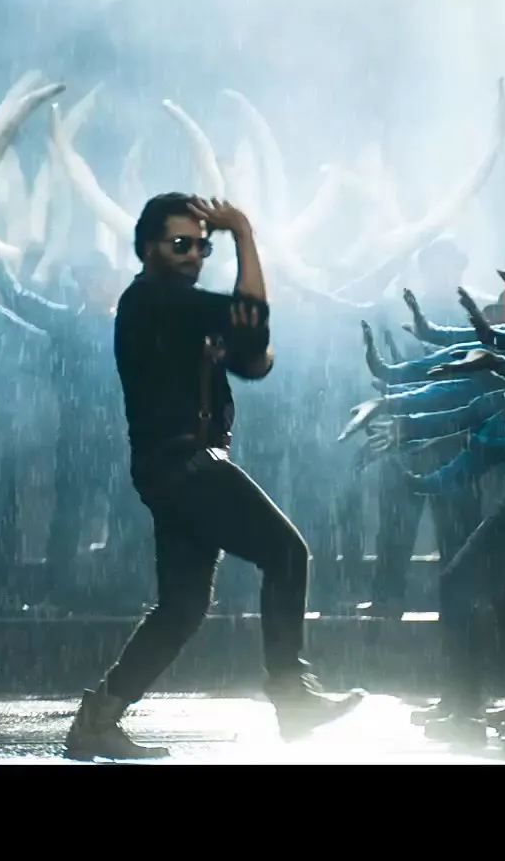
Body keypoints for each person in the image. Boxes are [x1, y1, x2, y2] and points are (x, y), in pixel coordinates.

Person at [64, 192, 363, 761]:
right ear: (148, 248)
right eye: (180, 244)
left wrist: (247, 343)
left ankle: (97, 721)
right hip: (185, 466)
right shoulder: (152, 299)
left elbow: (252, 351)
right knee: (287, 554)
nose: (193, 255)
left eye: (202, 247)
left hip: (178, 468)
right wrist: (243, 233)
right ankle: (290, 693)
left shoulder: (179, 308)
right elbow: (251, 318)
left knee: (181, 609)